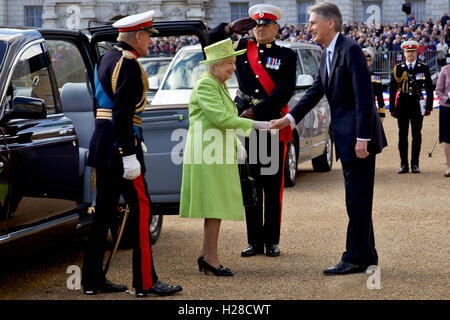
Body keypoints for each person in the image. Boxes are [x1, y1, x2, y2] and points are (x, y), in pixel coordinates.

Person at [270, 1, 387, 275]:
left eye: (312, 22)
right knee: (357, 198)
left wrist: (362, 138)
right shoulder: (328, 53)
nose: (308, 27)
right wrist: (288, 119)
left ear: (329, 23)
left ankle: (355, 257)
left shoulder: (351, 50)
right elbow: (315, 91)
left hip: (358, 140)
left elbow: (363, 97)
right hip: (348, 138)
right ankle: (367, 254)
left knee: (356, 199)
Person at [81, 10, 182, 297]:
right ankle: (146, 282)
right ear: (137, 35)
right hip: (120, 147)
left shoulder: (107, 57)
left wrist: (133, 137)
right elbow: (123, 113)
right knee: (142, 210)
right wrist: (129, 152)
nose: (150, 42)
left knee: (102, 215)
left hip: (104, 143)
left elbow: (105, 108)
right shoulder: (129, 65)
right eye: (149, 36)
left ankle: (92, 280)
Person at [208, 4, 297, 258]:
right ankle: (254, 241)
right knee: (251, 183)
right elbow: (210, 43)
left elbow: (283, 92)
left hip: (270, 123)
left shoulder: (286, 56)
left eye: (265, 25)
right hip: (245, 124)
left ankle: (272, 240)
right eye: (256, 25)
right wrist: (228, 29)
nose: (260, 29)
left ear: (275, 28)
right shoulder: (240, 49)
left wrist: (257, 113)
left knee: (272, 185)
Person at [179, 38, 271, 276]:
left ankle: (205, 254)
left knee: (215, 205)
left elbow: (222, 121)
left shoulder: (216, 83)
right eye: (230, 62)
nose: (234, 66)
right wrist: (259, 125)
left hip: (216, 150)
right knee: (214, 205)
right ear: (216, 65)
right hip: (208, 153)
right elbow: (221, 119)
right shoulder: (207, 85)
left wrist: (235, 144)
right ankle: (210, 258)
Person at [389, 40, 433, 174]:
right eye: (408, 52)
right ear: (404, 53)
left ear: (416, 52)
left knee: (416, 134)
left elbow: (430, 88)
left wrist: (429, 106)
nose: (410, 55)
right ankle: (404, 164)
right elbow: (392, 89)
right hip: (402, 103)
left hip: (416, 102)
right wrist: (392, 107)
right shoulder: (399, 68)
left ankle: (415, 164)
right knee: (402, 135)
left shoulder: (423, 67)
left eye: (412, 52)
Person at [434, 64, 450, 177]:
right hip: (447, 107)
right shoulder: (445, 70)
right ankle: (449, 166)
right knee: (447, 137)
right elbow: (438, 90)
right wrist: (447, 99)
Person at [363, 48, 385, 122]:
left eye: (367, 61)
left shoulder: (375, 77)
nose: (365, 63)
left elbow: (379, 96)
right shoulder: (352, 76)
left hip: (371, 110)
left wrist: (381, 113)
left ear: (370, 62)